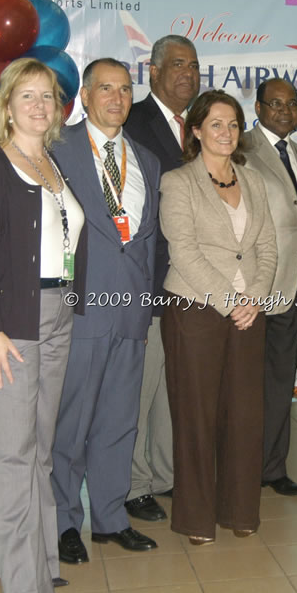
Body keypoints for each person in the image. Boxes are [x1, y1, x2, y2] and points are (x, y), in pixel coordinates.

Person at [0, 58, 85, 593]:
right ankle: (18, 591)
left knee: (39, 447)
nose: (39, 105)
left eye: (48, 96)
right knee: (12, 454)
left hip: (58, 314)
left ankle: (39, 561)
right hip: (9, 320)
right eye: (27, 96)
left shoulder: (51, 163)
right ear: (7, 106)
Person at [51, 58, 160, 564]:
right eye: (106, 89)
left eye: (124, 89)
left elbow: (146, 244)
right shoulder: (56, 148)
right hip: (81, 309)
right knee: (71, 423)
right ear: (87, 96)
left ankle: (111, 518)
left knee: (119, 420)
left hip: (132, 311)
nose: (116, 98)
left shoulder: (146, 160)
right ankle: (63, 522)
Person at [159, 90, 276, 544]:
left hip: (251, 313)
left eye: (232, 124)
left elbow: (268, 247)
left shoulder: (255, 181)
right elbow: (183, 251)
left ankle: (240, 510)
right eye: (215, 124)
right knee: (196, 417)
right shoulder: (179, 182)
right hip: (196, 310)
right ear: (196, 131)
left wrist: (257, 297)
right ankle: (195, 519)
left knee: (245, 416)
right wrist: (231, 301)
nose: (226, 133)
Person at [122, 34, 200, 522]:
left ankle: (169, 476)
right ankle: (133, 484)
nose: (187, 73)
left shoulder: (207, 125)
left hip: (194, 287)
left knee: (176, 389)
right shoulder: (130, 121)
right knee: (140, 389)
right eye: (176, 64)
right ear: (151, 71)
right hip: (148, 282)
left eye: (193, 65)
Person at [241, 78, 297, 497]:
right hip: (252, 289)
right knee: (245, 385)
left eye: (293, 104)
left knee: (281, 382)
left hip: (289, 287)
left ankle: (273, 467)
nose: (286, 111)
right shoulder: (242, 150)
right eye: (277, 104)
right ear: (259, 108)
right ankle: (241, 467)